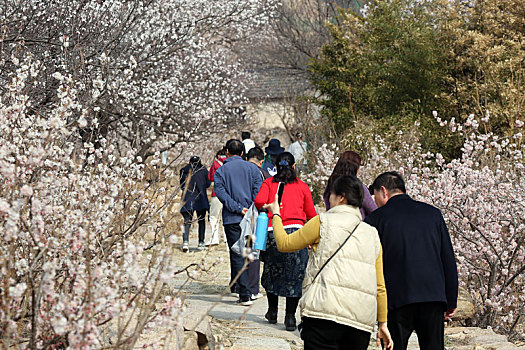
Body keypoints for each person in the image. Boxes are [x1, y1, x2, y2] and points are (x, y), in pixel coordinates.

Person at [263, 175, 393, 349]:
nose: (329, 199)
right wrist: (382, 323)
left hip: (323, 313)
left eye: (331, 195)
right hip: (359, 321)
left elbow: (285, 244)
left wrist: (276, 214)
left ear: (341, 196)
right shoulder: (372, 234)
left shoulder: (323, 222)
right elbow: (379, 286)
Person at [365, 172, 458, 350]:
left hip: (396, 298)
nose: (374, 200)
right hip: (432, 296)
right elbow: (447, 258)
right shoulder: (433, 214)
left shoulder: (376, 220)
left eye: (374, 195)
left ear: (383, 191)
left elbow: (368, 263)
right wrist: (450, 298)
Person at [254, 152, 317, 331]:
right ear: (294, 166)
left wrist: (268, 207)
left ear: (275, 166)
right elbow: (311, 213)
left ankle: (272, 311)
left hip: (273, 232)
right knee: (296, 276)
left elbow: (258, 201)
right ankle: (290, 317)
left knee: (272, 272)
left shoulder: (269, 183)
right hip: (298, 233)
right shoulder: (302, 186)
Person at [214, 139, 263, 305]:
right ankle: (249, 288)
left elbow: (221, 194)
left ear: (227, 151)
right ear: (242, 153)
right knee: (249, 251)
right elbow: (259, 192)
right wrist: (248, 209)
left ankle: (244, 293)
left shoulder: (221, 171)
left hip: (232, 218)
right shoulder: (254, 169)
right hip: (251, 218)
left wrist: (236, 208)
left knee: (236, 254)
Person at [323, 151, 377, 219]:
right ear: (354, 168)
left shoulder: (331, 185)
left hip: (333, 224)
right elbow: (373, 210)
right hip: (357, 225)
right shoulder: (357, 187)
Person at [180, 156, 211, 252]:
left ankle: (185, 242)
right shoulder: (204, 170)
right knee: (201, 221)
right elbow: (208, 184)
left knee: (187, 221)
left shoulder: (183, 170)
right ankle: (201, 242)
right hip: (201, 197)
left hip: (187, 197)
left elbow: (181, 185)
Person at [207, 147, 227, 246]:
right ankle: (226, 238)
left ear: (218, 156)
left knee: (214, 216)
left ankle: (215, 238)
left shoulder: (215, 164)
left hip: (216, 193)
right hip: (228, 193)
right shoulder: (230, 164)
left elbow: (210, 177)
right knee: (226, 216)